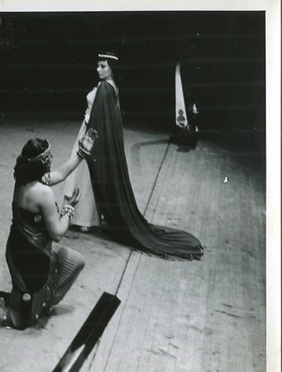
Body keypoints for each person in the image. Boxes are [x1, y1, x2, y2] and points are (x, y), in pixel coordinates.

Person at [0, 131, 97, 330]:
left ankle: (38, 303)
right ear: (42, 164)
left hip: (21, 249)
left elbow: (60, 174)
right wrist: (69, 207)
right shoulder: (43, 193)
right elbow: (57, 234)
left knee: (74, 261)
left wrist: (81, 153)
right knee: (22, 318)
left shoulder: (27, 179)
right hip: (31, 258)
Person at [63, 51, 203, 260]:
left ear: (112, 68)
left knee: (84, 174)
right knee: (86, 177)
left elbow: (96, 119)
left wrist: (87, 142)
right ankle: (85, 218)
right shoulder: (112, 86)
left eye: (103, 66)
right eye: (98, 66)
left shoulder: (104, 88)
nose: (98, 69)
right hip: (93, 134)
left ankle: (82, 220)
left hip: (89, 136)